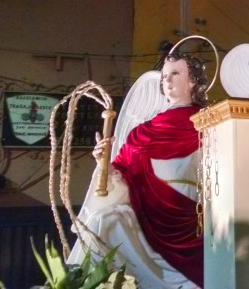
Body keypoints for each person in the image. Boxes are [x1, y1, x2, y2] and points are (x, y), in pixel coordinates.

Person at [68, 50, 209, 288]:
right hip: (145, 211)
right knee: (104, 221)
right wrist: (104, 163)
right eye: (164, 76)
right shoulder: (141, 132)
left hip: (187, 215)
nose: (167, 80)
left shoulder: (208, 122)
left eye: (175, 73)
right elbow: (120, 174)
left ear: (193, 81)